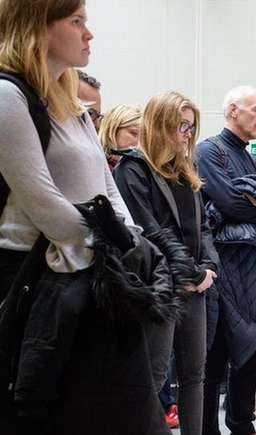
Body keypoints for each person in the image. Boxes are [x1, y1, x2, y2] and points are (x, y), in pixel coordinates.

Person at [0, 1, 175, 433]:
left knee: (128, 412)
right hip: (42, 286)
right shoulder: (8, 95)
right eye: (76, 21)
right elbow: (44, 204)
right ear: (37, 27)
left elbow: (106, 186)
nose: (88, 33)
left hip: (96, 281)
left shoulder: (73, 106)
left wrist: (131, 242)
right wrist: (119, 246)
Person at [113, 90, 218, 435]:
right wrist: (191, 272)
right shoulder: (133, 168)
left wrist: (209, 269)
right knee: (154, 375)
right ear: (160, 124)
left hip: (194, 285)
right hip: (161, 286)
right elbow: (148, 230)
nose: (188, 134)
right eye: (181, 125)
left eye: (191, 126)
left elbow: (203, 227)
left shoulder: (186, 171)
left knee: (194, 375)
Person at [196, 85, 256, 435]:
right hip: (222, 270)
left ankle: (240, 422)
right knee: (215, 360)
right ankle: (207, 428)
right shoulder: (209, 151)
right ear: (233, 111)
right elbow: (231, 203)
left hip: (255, 271)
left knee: (249, 358)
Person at [98, 104, 140, 169]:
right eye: (134, 133)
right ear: (112, 131)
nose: (139, 142)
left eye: (143, 137)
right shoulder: (98, 166)